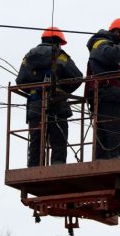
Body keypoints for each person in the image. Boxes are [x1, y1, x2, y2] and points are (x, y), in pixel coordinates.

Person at [16, 27, 83, 167]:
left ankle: (34, 167)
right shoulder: (59, 55)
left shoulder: (28, 57)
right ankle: (58, 166)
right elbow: (77, 77)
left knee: (36, 138)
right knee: (58, 138)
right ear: (57, 42)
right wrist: (64, 89)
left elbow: (20, 81)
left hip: (35, 105)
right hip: (57, 103)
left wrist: (35, 89)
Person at [86, 18, 120, 160]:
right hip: (107, 95)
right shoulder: (101, 44)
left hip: (112, 95)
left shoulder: (113, 47)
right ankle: (115, 159)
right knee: (115, 131)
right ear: (117, 32)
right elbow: (110, 57)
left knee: (113, 131)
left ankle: (106, 159)